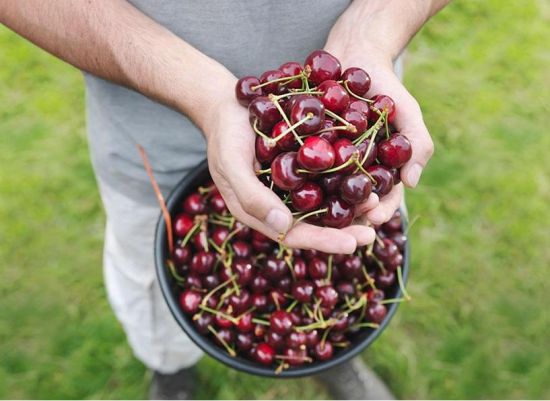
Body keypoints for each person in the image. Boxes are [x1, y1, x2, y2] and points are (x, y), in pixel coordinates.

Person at [0, 0, 447, 399]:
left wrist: (377, 21)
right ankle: (171, 371)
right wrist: (198, 90)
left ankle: (331, 351)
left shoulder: (351, 145)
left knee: (349, 254)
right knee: (163, 291)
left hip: (358, 118)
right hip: (154, 144)